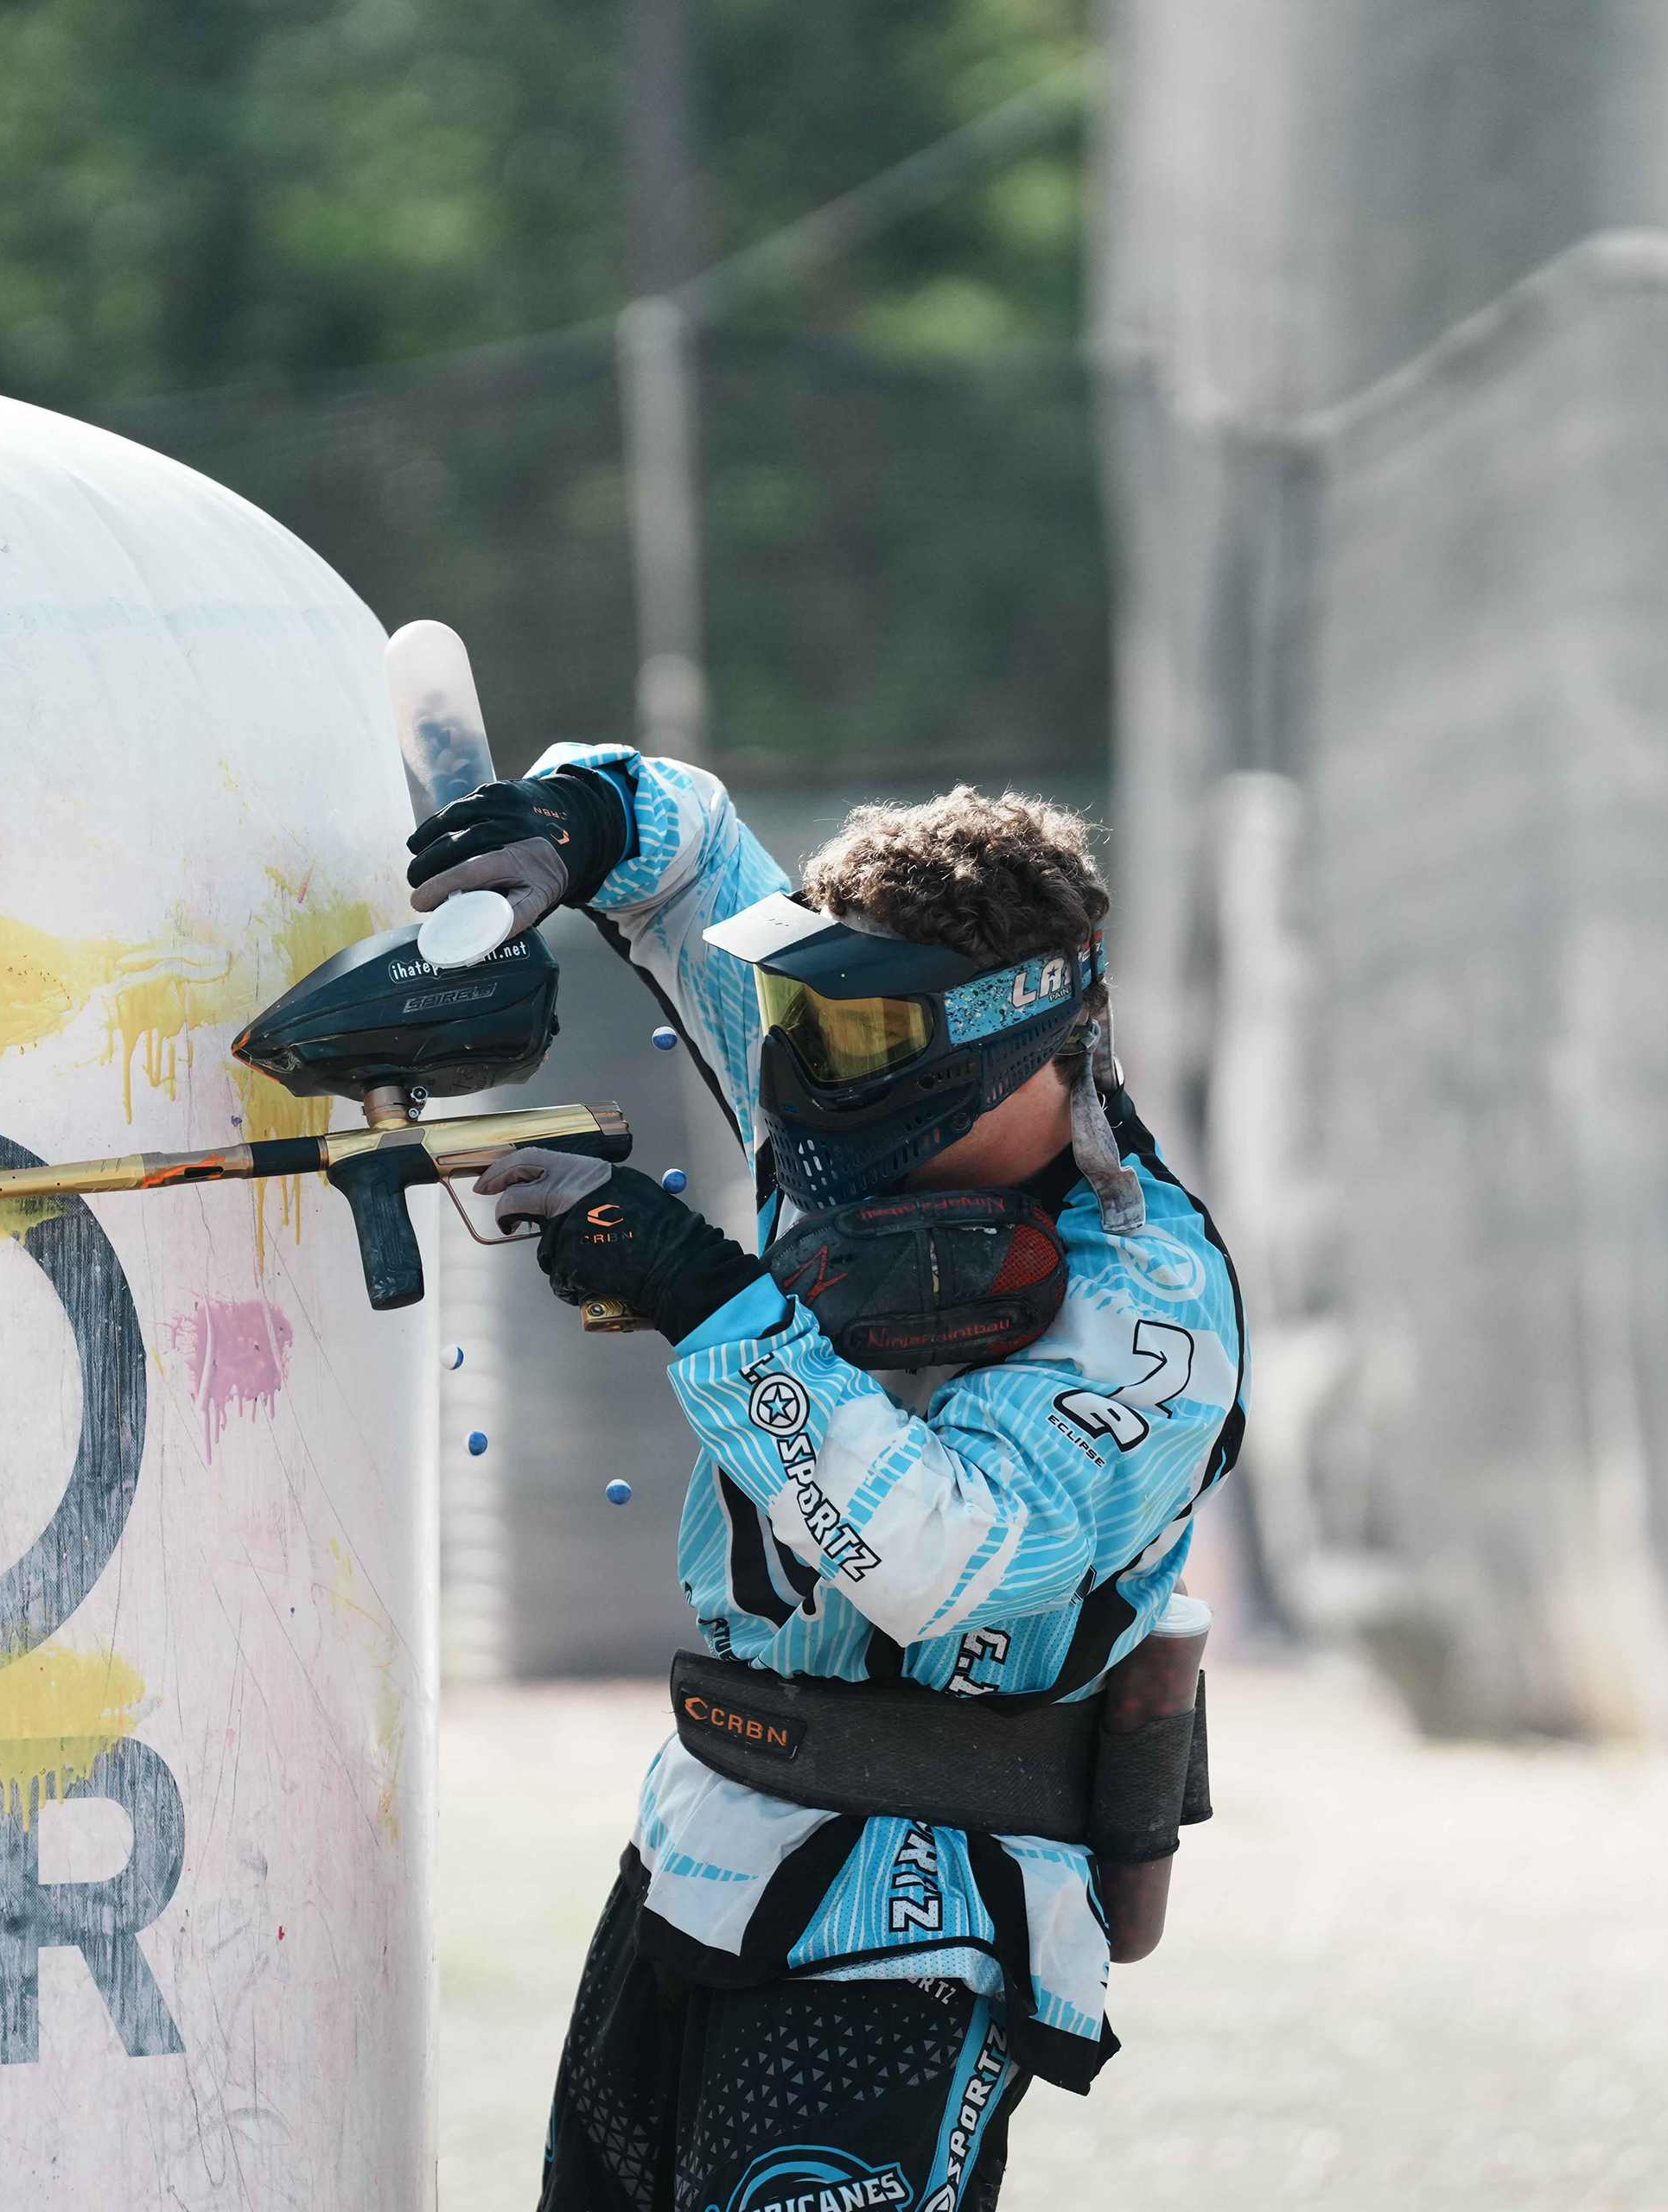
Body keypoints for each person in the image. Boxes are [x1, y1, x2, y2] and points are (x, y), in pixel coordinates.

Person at [405, 742, 1245, 2212]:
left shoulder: (1152, 1297)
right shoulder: (849, 1086)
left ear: (1017, 1035)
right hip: (696, 1863)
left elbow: (946, 1558)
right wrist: (573, 820)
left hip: (914, 1928)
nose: (793, 1065)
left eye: (846, 1033)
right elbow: (682, 848)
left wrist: (699, 1292)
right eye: (798, 1012)